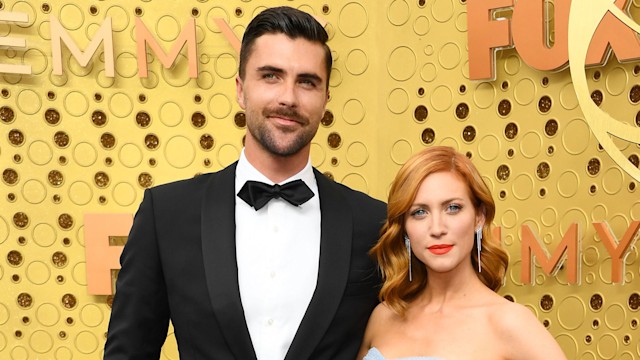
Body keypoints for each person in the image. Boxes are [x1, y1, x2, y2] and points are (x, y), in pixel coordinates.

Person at [104, 6, 386, 360]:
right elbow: (129, 352)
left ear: (326, 99)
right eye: (271, 76)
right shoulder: (168, 214)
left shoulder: (374, 222)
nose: (288, 97)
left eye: (307, 81)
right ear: (240, 89)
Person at [357, 146, 566, 360]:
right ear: (405, 227)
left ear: (479, 217)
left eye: (453, 208)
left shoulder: (510, 323)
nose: (437, 228)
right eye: (419, 212)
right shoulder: (383, 317)